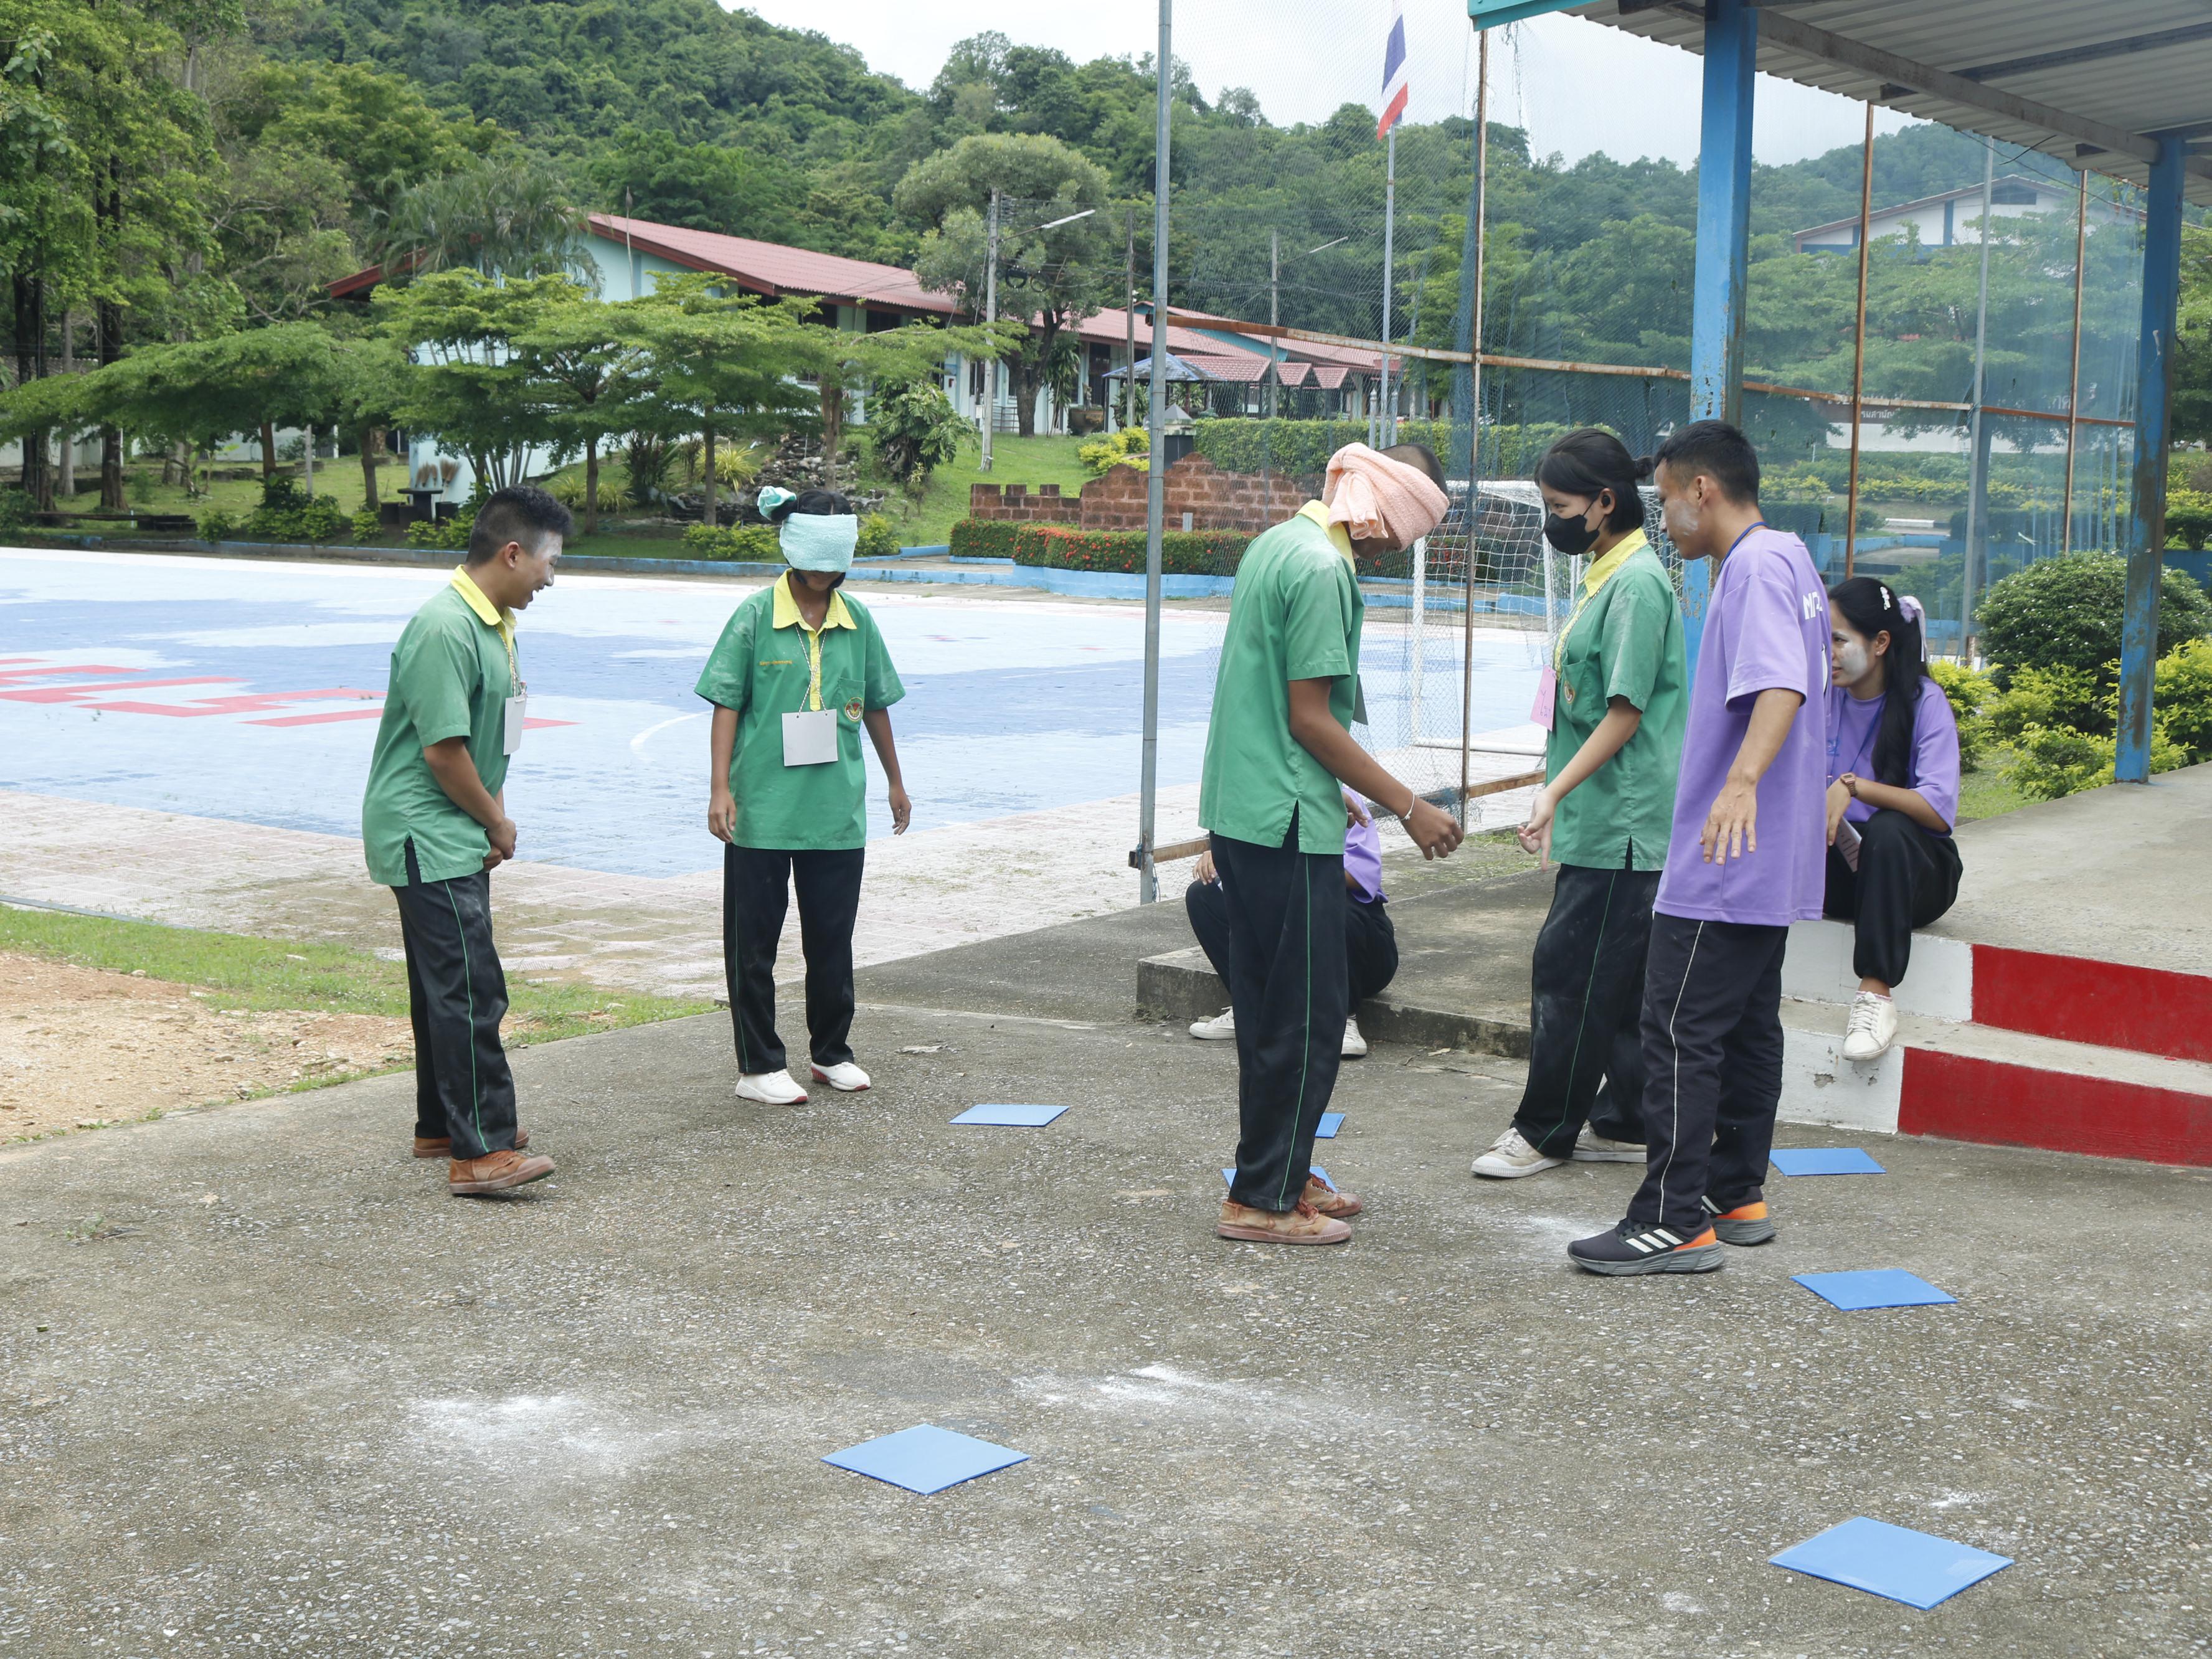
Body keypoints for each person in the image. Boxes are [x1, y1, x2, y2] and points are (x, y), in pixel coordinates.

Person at [1567, 420, 1830, 1277]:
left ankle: (1673, 1218)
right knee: (1748, 1027)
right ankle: (1736, 1190)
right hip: (1770, 858)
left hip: (1729, 855)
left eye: (1669, 499)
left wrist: (1741, 782)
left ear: (1702, 490)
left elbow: (1781, 685)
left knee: (1677, 1028)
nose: (1665, 518)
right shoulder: (1788, 556)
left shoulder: (1751, 567)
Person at [1200, 442, 1465, 1247]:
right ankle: (1263, 1199)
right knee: (1310, 1018)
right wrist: (1407, 805)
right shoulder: (1323, 570)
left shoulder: (1278, 544)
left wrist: (1338, 787)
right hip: (1285, 825)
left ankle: (1283, 1168)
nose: (1398, 549)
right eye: (1404, 530)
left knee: (1269, 1012)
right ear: (1381, 507)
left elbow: (1270, 704)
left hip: (1248, 808)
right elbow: (1309, 717)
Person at [1473, 429, 1688, 1179]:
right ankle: (1625, 1118)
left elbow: (1623, 712)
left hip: (1622, 819)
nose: (1551, 521)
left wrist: (1552, 792)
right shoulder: (1607, 573)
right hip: (1599, 812)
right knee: (1618, 977)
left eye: (1560, 506)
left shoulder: (1636, 586)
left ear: (1605, 502)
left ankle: (1544, 1130)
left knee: (1568, 972)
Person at [361, 484, 570, 1197]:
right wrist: (496, 821)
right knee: (472, 989)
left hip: (458, 823)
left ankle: (442, 1125)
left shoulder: (494, 622)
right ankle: (479, 1152)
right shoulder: (445, 627)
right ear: (513, 554)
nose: (551, 578)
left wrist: (492, 815)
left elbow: (490, 741)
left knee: (440, 987)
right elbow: (444, 753)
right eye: (548, 563)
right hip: (428, 827)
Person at [697, 486, 910, 1106]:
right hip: (761, 809)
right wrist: (720, 789)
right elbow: (726, 705)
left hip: (835, 809)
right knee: (754, 942)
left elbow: (875, 704)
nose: (823, 574)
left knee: (832, 938)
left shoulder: (858, 620)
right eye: (813, 558)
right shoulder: (754, 616)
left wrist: (895, 780)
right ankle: (759, 1063)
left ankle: (832, 1051)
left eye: (833, 560)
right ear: (792, 548)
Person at [1822, 576, 1963, 1061]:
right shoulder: (1821, 699)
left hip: (1916, 875)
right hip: (1843, 866)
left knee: (1888, 829)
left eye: (1839, 640)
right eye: (1824, 640)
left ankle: (1875, 995)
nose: (1830, 653)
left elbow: (1939, 811)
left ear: (1881, 643)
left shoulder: (1924, 702)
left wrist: (1852, 786)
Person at [1186, 788, 1397, 1059]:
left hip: (1363, 945)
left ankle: (1342, 1019)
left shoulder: (1343, 798)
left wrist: (1287, 868)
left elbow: (1362, 875)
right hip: (1291, 936)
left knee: (1329, 902)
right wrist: (1220, 855)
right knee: (1202, 896)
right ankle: (1251, 1005)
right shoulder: (1262, 804)